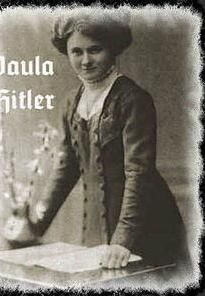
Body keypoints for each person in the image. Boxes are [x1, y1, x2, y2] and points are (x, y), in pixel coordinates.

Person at [25, 9, 189, 269]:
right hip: (97, 231)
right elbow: (66, 168)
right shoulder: (71, 103)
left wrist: (123, 240)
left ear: (112, 49)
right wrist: (35, 225)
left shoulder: (134, 100)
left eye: (95, 49)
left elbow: (139, 171)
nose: (86, 60)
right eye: (76, 52)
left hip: (146, 227)